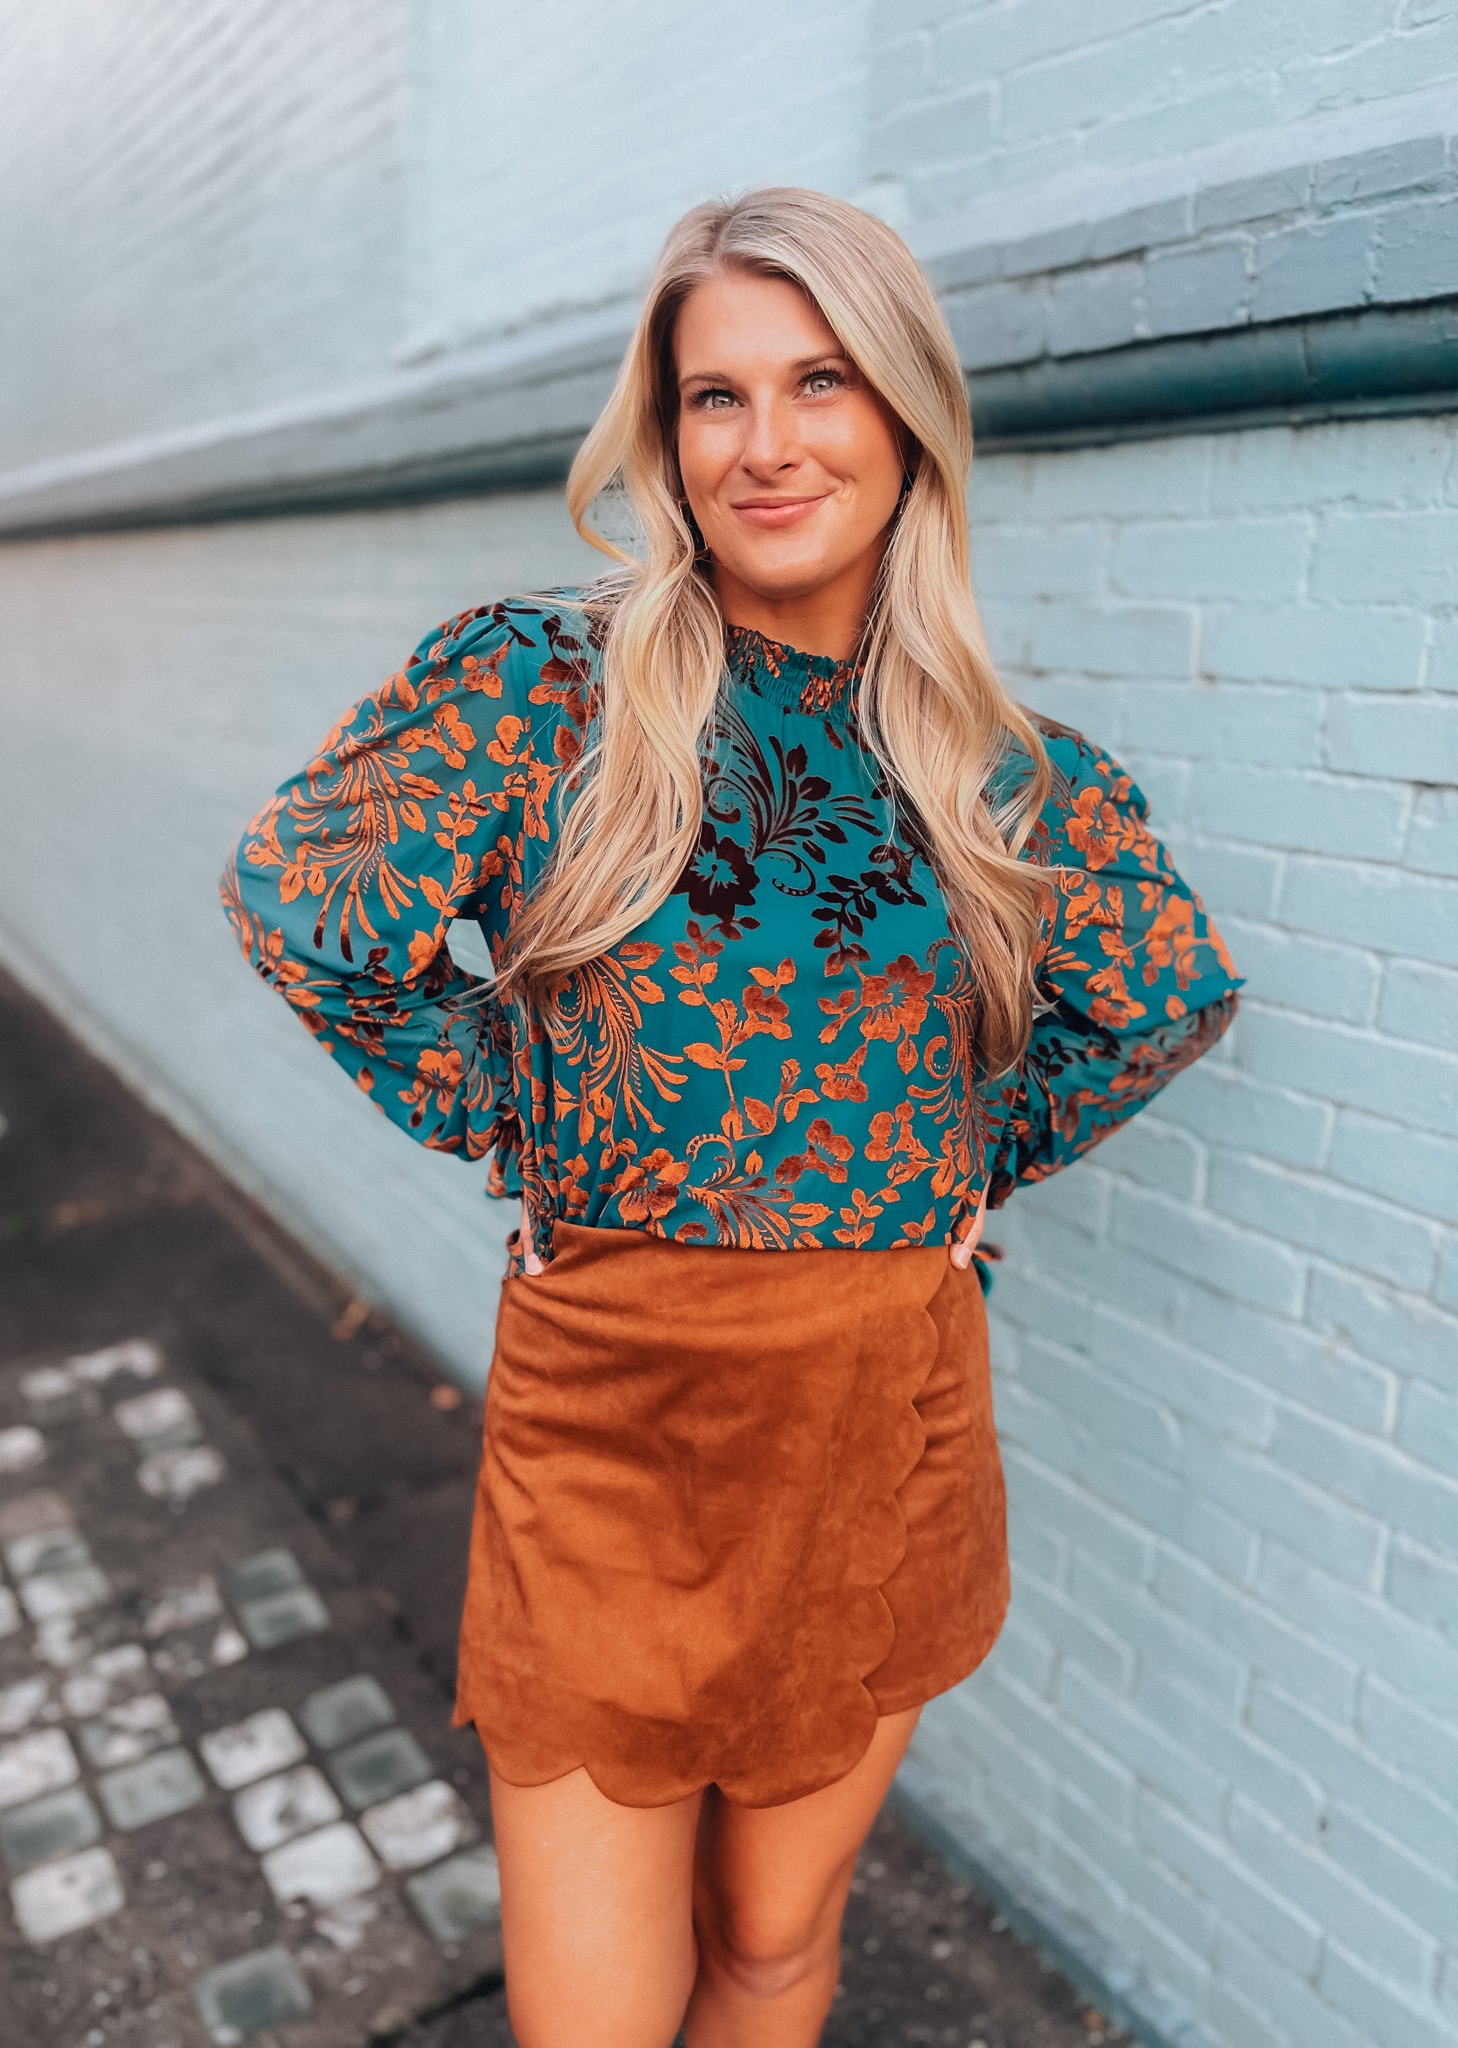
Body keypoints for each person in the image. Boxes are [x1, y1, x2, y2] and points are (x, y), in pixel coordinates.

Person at [222, 187, 1240, 2048]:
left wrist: (955, 1171)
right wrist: (521, 1111)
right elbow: (306, 905)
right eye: (716, 398)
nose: (769, 445)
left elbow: (1168, 989)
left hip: (882, 1423)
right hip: (613, 1419)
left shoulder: (1004, 772)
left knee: (772, 1949)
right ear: (667, 436)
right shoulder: (547, 690)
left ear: (907, 414)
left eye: (822, 382)